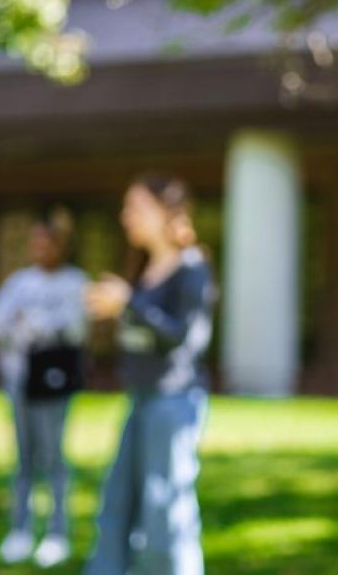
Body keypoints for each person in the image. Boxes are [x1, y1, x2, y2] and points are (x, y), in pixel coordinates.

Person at [83, 174, 216, 575]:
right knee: (116, 506)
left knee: (164, 510)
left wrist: (128, 303)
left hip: (172, 402)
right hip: (140, 399)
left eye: (136, 207)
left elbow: (184, 338)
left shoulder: (192, 268)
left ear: (166, 212)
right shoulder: (145, 268)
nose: (127, 217)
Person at [0, 207, 87, 567]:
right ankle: (20, 530)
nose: (40, 248)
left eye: (47, 241)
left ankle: (57, 532)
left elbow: (75, 328)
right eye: (36, 242)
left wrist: (39, 326)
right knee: (24, 458)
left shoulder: (75, 282)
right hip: (19, 380)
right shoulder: (19, 283)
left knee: (53, 456)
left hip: (53, 383)